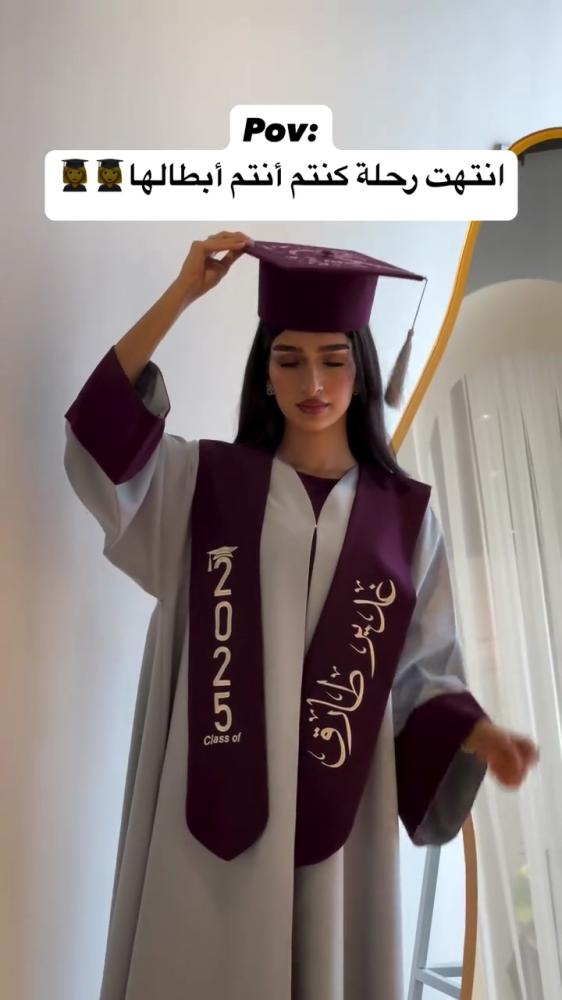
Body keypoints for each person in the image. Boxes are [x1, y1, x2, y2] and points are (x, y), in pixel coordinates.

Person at [63, 231, 540, 1000]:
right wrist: (181, 295)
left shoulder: (405, 520)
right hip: (206, 807)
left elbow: (422, 675)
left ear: (362, 368)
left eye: (333, 359)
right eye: (288, 359)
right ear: (265, 372)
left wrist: (479, 735)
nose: (311, 381)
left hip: (334, 826)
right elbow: (100, 436)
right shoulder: (203, 484)